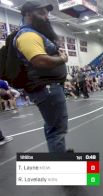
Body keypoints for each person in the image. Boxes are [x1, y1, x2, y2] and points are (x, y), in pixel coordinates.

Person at [16, 1, 69, 152]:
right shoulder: (27, 35)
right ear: (28, 14)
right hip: (47, 89)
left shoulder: (36, 34)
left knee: (53, 128)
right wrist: (62, 59)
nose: (46, 17)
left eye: (47, 13)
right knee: (57, 131)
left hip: (48, 88)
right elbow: (39, 60)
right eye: (41, 13)